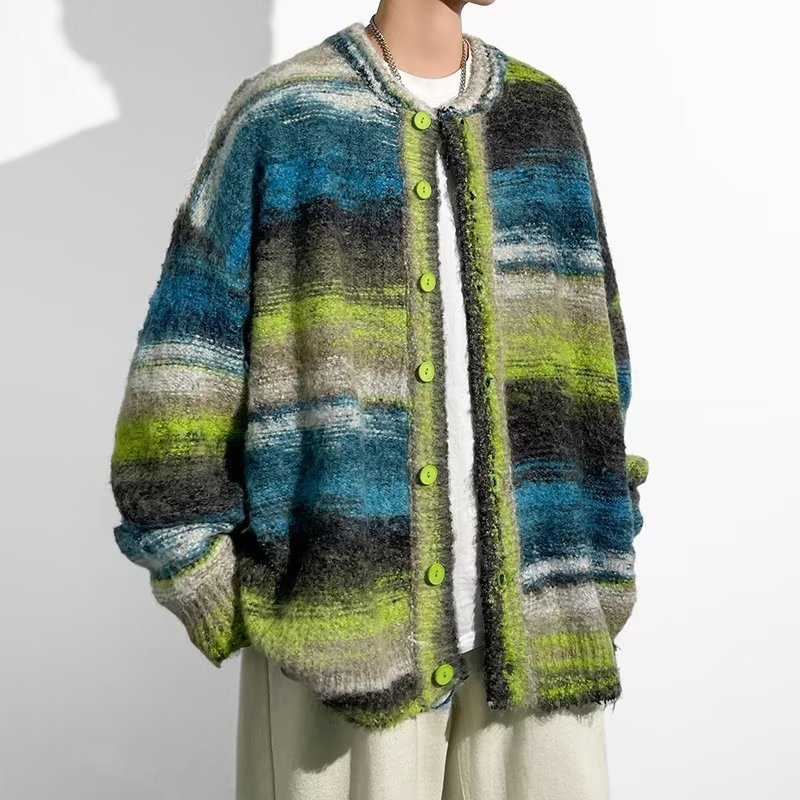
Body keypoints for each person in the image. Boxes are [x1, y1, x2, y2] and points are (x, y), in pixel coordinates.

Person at [109, 2, 649, 798]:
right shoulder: (285, 116)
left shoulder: (544, 117)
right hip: (339, 636)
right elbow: (181, 376)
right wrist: (213, 586)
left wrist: (603, 541)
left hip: (545, 627)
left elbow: (597, 364)